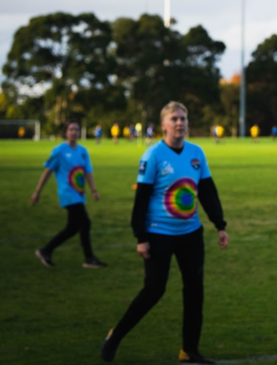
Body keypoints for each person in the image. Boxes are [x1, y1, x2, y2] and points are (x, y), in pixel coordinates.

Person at [100, 101, 229, 364]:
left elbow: (207, 191)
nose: (180, 123)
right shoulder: (153, 156)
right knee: (154, 290)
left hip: (191, 233)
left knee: (195, 290)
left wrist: (220, 225)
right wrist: (141, 237)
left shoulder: (197, 153)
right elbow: (142, 200)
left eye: (183, 118)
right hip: (158, 234)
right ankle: (115, 336)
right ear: (163, 125)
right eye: (174, 119)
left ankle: (189, 351)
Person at [31, 120, 106, 269]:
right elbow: (47, 172)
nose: (74, 132)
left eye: (76, 130)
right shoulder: (59, 151)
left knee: (73, 227)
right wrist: (37, 192)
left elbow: (88, 172)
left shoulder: (83, 151)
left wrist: (94, 190)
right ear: (66, 132)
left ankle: (45, 251)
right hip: (67, 193)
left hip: (79, 194)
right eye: (71, 129)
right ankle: (89, 258)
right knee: (85, 223)